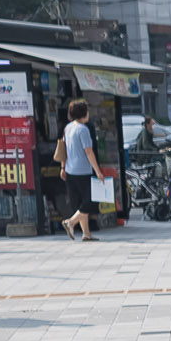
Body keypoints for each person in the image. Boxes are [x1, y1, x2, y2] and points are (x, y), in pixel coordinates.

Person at [60, 99, 111, 242]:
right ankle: (70, 222)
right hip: (83, 170)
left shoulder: (68, 128)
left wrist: (63, 167)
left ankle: (86, 233)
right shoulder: (83, 129)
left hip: (70, 170)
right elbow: (89, 152)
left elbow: (63, 149)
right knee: (90, 202)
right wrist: (98, 171)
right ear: (84, 113)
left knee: (80, 203)